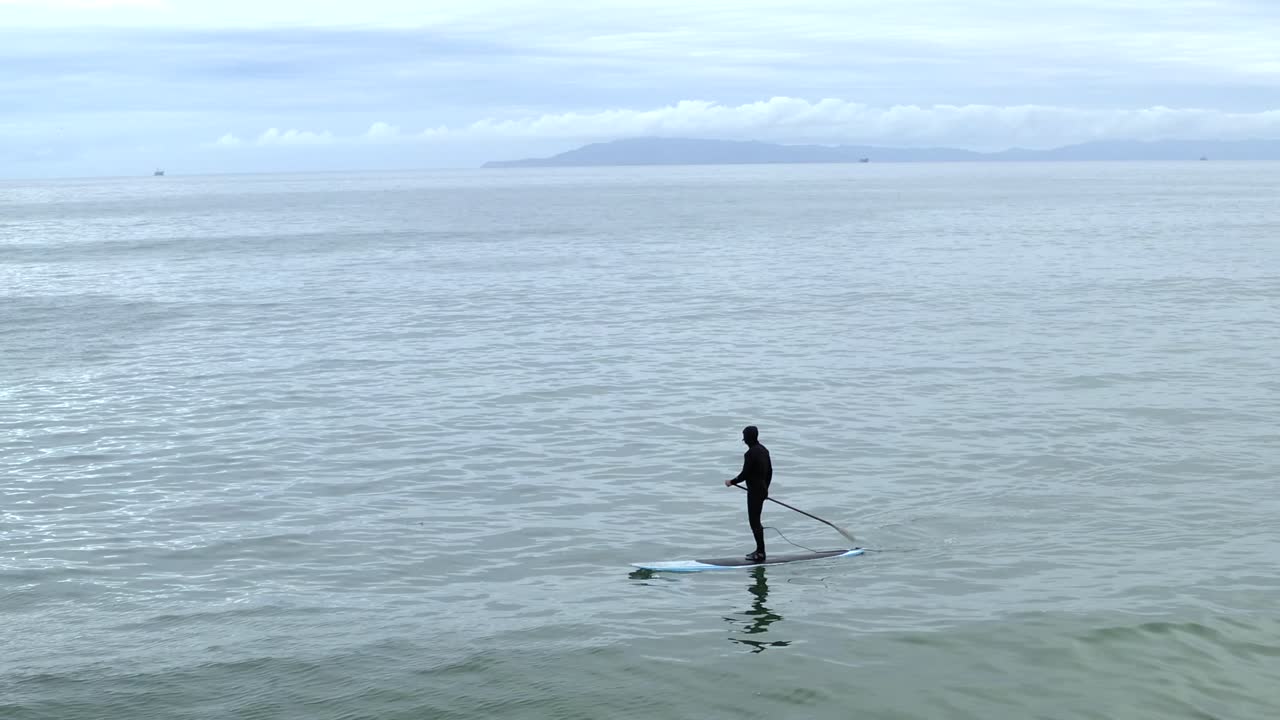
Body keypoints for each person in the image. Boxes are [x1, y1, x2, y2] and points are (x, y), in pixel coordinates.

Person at [724, 425, 772, 562]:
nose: (744, 441)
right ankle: (760, 550)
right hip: (762, 490)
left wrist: (732, 482)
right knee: (757, 521)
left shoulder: (750, 454)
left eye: (744, 438)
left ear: (747, 439)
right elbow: (770, 472)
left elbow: (745, 474)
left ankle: (761, 553)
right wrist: (766, 489)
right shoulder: (764, 450)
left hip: (754, 492)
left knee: (754, 522)